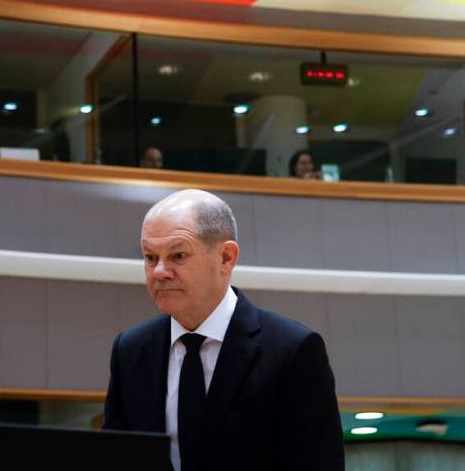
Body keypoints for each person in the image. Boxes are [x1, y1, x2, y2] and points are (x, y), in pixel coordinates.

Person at [104, 189, 344, 471]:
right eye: (150, 257)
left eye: (178, 255)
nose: (159, 271)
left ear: (226, 258)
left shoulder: (293, 350)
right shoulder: (129, 350)